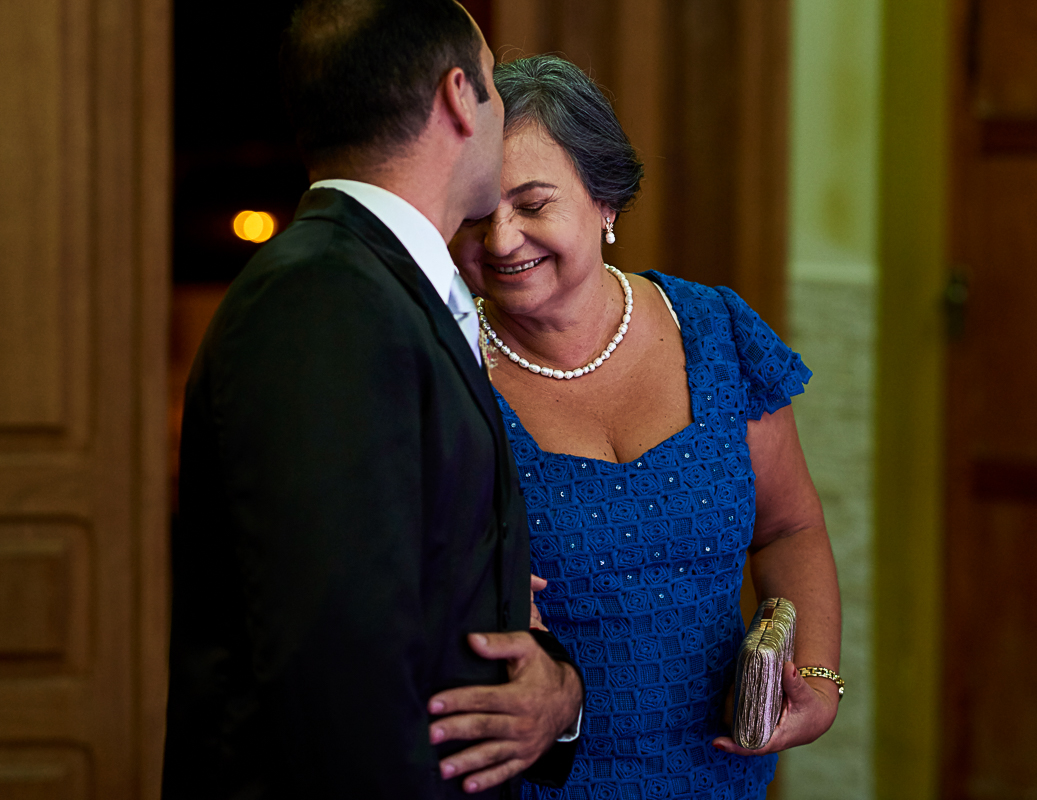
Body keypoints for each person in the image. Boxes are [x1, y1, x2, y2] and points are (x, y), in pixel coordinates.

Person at [162, 5, 583, 798]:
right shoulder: (319, 295)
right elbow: (334, 660)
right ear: (460, 96)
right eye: (494, 85)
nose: (499, 108)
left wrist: (557, 689)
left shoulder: (383, 285)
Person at [449, 55, 843, 799]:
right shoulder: (448, 374)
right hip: (535, 781)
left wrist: (819, 678)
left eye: (532, 204)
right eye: (474, 211)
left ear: (605, 202)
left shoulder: (717, 331)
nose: (501, 239)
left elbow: (789, 527)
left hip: (719, 770)